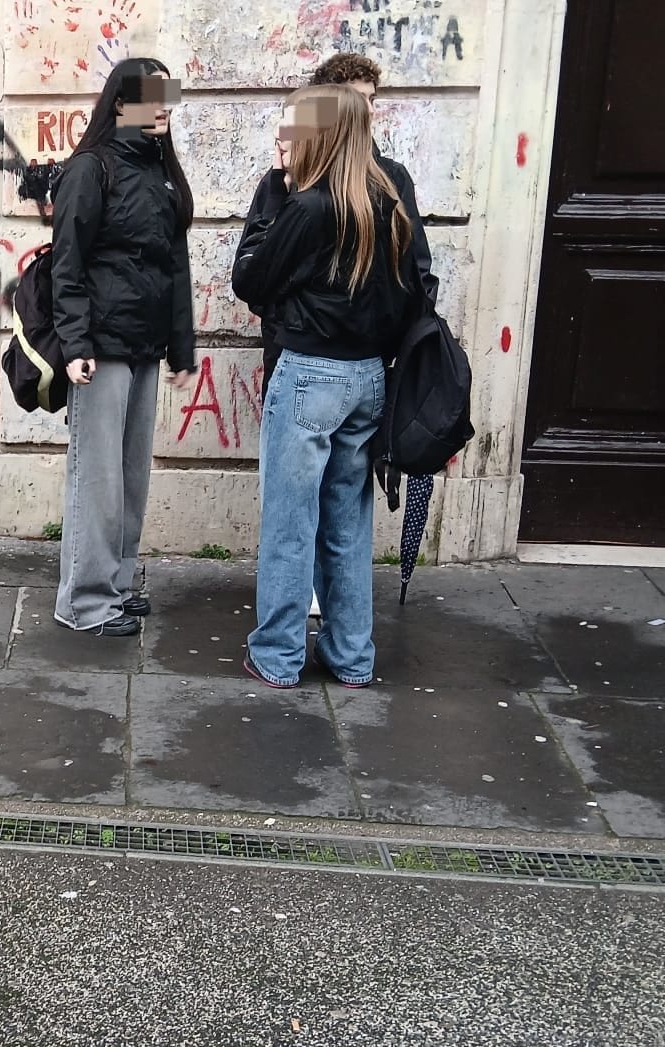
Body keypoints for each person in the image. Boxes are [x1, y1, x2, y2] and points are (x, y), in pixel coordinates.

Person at [233, 85, 428, 688]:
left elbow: (249, 279)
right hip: (370, 377)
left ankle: (279, 654)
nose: (285, 141)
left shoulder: (309, 206)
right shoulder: (386, 200)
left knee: (290, 523)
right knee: (348, 522)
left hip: (311, 375)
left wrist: (273, 189)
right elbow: (409, 294)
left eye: (293, 129)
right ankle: (351, 657)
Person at [50, 58, 199, 637]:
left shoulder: (163, 174)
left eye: (168, 97)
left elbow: (175, 268)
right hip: (102, 349)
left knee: (131, 476)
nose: (163, 106)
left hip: (144, 346)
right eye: (151, 96)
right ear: (120, 103)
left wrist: (181, 350)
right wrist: (75, 343)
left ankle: (114, 584)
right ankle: (84, 602)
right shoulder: (91, 168)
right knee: (99, 480)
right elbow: (68, 263)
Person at [253, 53, 437, 385]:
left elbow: (415, 270)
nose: (367, 110)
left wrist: (394, 343)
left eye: (371, 99)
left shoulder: (391, 178)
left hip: (370, 364)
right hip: (296, 355)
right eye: (356, 100)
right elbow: (257, 274)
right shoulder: (288, 179)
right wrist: (288, 326)